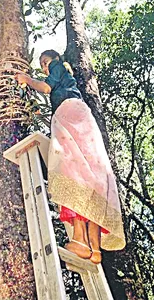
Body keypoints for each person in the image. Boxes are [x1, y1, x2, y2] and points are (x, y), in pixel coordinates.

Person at [15, 49, 125, 264]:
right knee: (90, 176)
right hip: (82, 116)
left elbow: (46, 87)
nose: (45, 68)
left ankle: (80, 239)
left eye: (45, 63)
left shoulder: (57, 65)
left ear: (54, 60)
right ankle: (94, 248)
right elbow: (53, 89)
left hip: (69, 112)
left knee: (70, 169)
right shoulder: (69, 80)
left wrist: (26, 79)